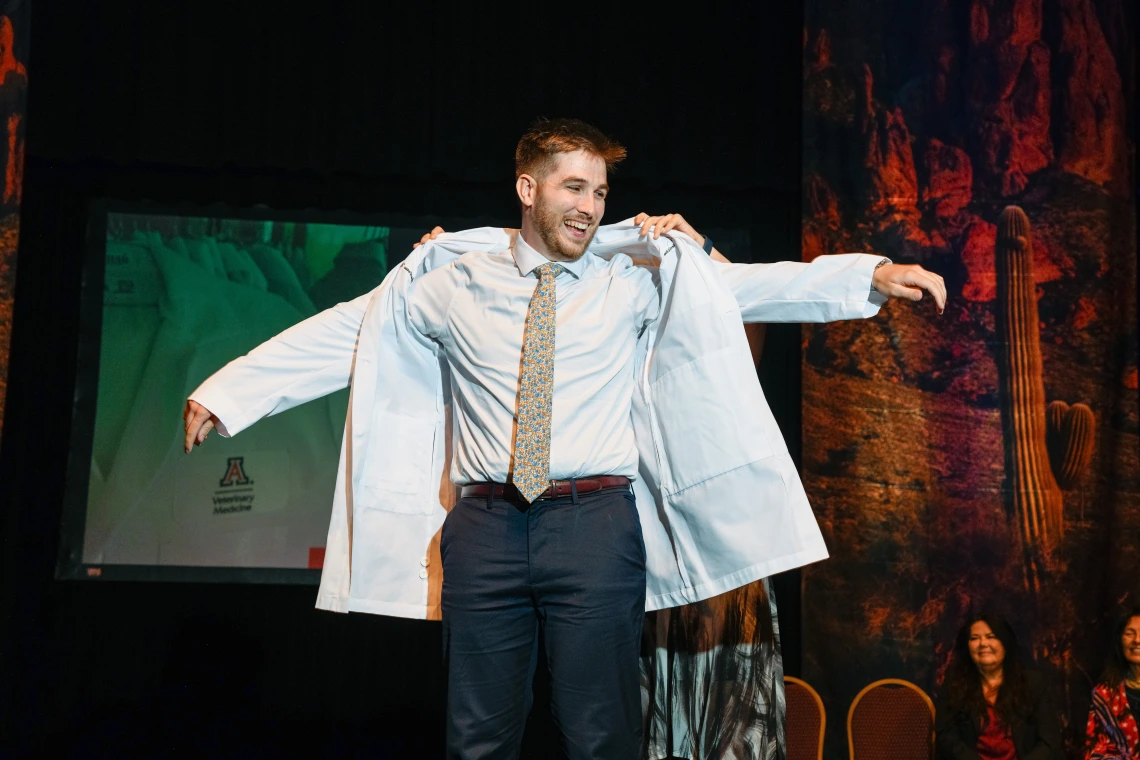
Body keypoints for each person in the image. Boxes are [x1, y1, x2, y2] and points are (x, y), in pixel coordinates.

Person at [183, 117, 946, 759]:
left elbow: (741, 287)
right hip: (485, 526)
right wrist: (230, 392)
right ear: (529, 189)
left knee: (600, 735)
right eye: (575, 187)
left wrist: (864, 278)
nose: (591, 206)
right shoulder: (454, 282)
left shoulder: (631, 281)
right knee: (477, 736)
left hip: (595, 524)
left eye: (601, 192)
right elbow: (352, 329)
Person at [936, 613, 1062, 760]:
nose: (983, 643)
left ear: (1005, 644)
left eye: (991, 636)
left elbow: (1049, 742)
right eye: (975, 638)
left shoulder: (1033, 683)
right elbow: (947, 737)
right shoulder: (954, 683)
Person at [1084, 606, 1140, 759]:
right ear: (1119, 640)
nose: (1137, 640)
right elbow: (1096, 748)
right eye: (1130, 633)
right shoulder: (1105, 694)